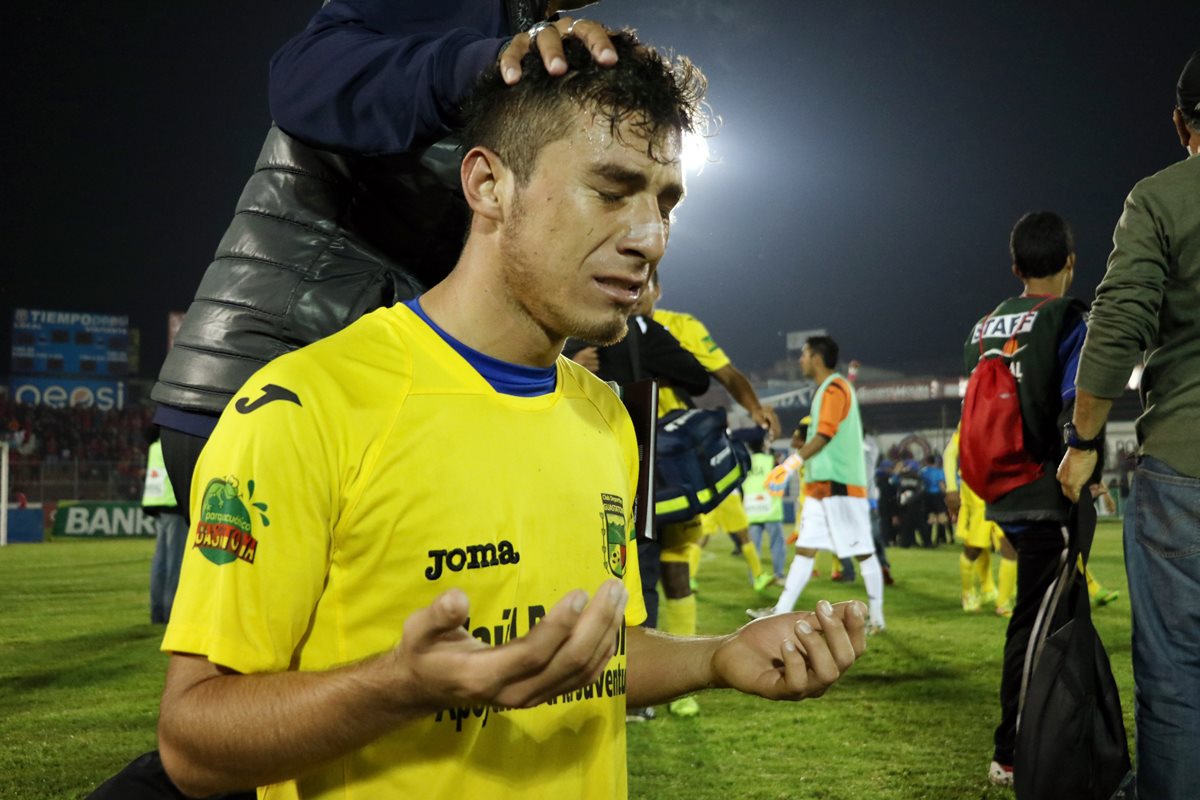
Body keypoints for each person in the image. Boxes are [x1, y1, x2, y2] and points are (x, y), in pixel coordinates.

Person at [156, 32, 867, 799]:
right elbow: (194, 743)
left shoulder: (602, 415)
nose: (651, 237)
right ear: (488, 185)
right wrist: (400, 684)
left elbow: (588, 657)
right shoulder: (305, 405)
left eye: (665, 202)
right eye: (611, 188)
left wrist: (719, 656)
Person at [151, 1, 622, 519]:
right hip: (281, 385)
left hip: (379, 395)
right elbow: (301, 77)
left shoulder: (525, 29)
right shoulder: (488, 27)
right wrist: (475, 66)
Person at [1057, 48, 1200, 800]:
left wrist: (1084, 442)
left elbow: (1116, 329)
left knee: (1178, 680)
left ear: (1183, 124)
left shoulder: (1163, 197)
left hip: (1189, 465)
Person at [963, 211, 1089, 787]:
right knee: (1036, 626)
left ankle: (1068, 738)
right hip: (1048, 489)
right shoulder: (1067, 317)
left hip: (1001, 492)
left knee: (1060, 616)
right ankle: (1010, 752)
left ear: (1015, 267)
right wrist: (1082, 456)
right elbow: (1074, 402)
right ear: (1070, 261)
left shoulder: (984, 324)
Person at [649, 276, 782, 597]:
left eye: (645, 281)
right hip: (619, 449)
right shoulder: (602, 326)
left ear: (656, 290)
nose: (637, 291)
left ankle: (680, 645)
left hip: (672, 456)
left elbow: (726, 372)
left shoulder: (680, 327)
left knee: (676, 562)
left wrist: (753, 408)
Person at [748, 336, 886, 635]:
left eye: (804, 354)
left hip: (841, 486)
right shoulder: (826, 389)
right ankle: (780, 611)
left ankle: (876, 618)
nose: (800, 360)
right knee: (805, 550)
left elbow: (824, 435)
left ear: (816, 358)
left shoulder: (835, 387)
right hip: (820, 488)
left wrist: (788, 465)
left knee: (863, 551)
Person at [944, 426, 1016, 616]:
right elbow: (950, 453)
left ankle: (1003, 602)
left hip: (1001, 493)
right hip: (977, 497)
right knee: (974, 549)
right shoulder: (968, 421)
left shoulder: (1004, 416)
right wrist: (951, 488)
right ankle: (968, 593)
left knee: (1010, 546)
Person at [142, 427, 186, 625]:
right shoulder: (174, 446)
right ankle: (171, 613)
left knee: (160, 562)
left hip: (157, 504)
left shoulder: (154, 447)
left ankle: (157, 612)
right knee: (174, 563)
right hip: (173, 504)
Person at [740, 429, 787, 588]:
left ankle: (755, 577)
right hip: (770, 509)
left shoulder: (744, 462)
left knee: (753, 547)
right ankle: (779, 575)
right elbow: (782, 477)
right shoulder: (771, 461)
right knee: (777, 544)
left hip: (751, 510)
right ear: (763, 444)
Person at [919, 455, 950, 545]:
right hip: (937, 495)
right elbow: (941, 484)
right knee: (941, 517)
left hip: (926, 496)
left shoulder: (923, 471)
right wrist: (946, 494)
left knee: (930, 517)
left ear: (927, 461)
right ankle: (940, 538)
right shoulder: (939, 472)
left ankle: (928, 539)